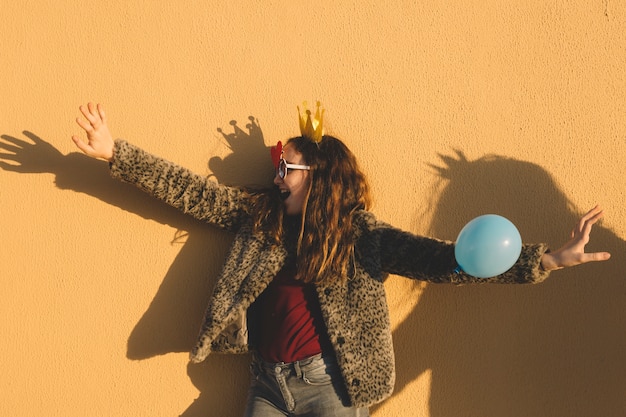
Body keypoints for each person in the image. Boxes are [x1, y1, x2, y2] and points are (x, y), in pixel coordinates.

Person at [71, 102, 610, 416]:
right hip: (266, 382)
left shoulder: (360, 236)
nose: (278, 175)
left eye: (290, 169)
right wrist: (117, 152)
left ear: (320, 179)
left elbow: (445, 260)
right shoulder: (260, 217)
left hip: (329, 386)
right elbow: (190, 191)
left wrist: (547, 261)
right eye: (280, 167)